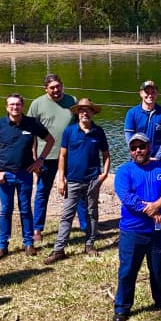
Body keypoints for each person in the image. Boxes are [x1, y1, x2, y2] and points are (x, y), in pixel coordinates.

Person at [112, 133, 161, 321]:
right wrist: (150, 212)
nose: (138, 151)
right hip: (132, 231)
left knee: (158, 268)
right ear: (130, 151)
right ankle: (122, 307)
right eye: (134, 148)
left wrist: (156, 206)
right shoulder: (124, 171)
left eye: (141, 147)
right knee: (128, 271)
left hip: (158, 231)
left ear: (149, 147)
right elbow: (127, 197)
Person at [0, 94, 54, 259]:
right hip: (5, 175)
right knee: (5, 210)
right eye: (11, 104)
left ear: (22, 106)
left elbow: (50, 140)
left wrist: (39, 161)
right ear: (6, 107)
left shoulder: (32, 123)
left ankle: (28, 243)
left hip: (25, 174)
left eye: (17, 104)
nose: (14, 107)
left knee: (25, 209)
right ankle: (2, 245)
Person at [46, 98, 110, 263]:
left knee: (92, 214)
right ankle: (59, 250)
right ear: (77, 113)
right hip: (73, 180)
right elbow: (62, 155)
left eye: (88, 110)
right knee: (67, 215)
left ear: (93, 112)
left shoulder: (99, 131)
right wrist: (61, 179)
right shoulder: (69, 131)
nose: (84, 113)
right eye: (81, 110)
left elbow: (106, 155)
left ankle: (89, 245)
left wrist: (104, 174)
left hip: (92, 180)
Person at [27, 74, 79, 245]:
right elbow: (30, 133)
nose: (56, 90)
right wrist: (34, 158)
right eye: (52, 88)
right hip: (46, 157)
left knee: (77, 190)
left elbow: (80, 126)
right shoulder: (37, 104)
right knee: (42, 192)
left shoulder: (73, 101)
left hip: (70, 155)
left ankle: (86, 226)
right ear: (46, 89)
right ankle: (37, 229)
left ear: (62, 85)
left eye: (58, 86)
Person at [124, 79, 161, 162]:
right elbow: (129, 138)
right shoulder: (131, 113)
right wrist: (140, 157)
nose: (150, 95)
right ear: (141, 93)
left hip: (159, 160)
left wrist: (158, 157)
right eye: (147, 92)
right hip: (138, 159)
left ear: (157, 93)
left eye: (153, 92)